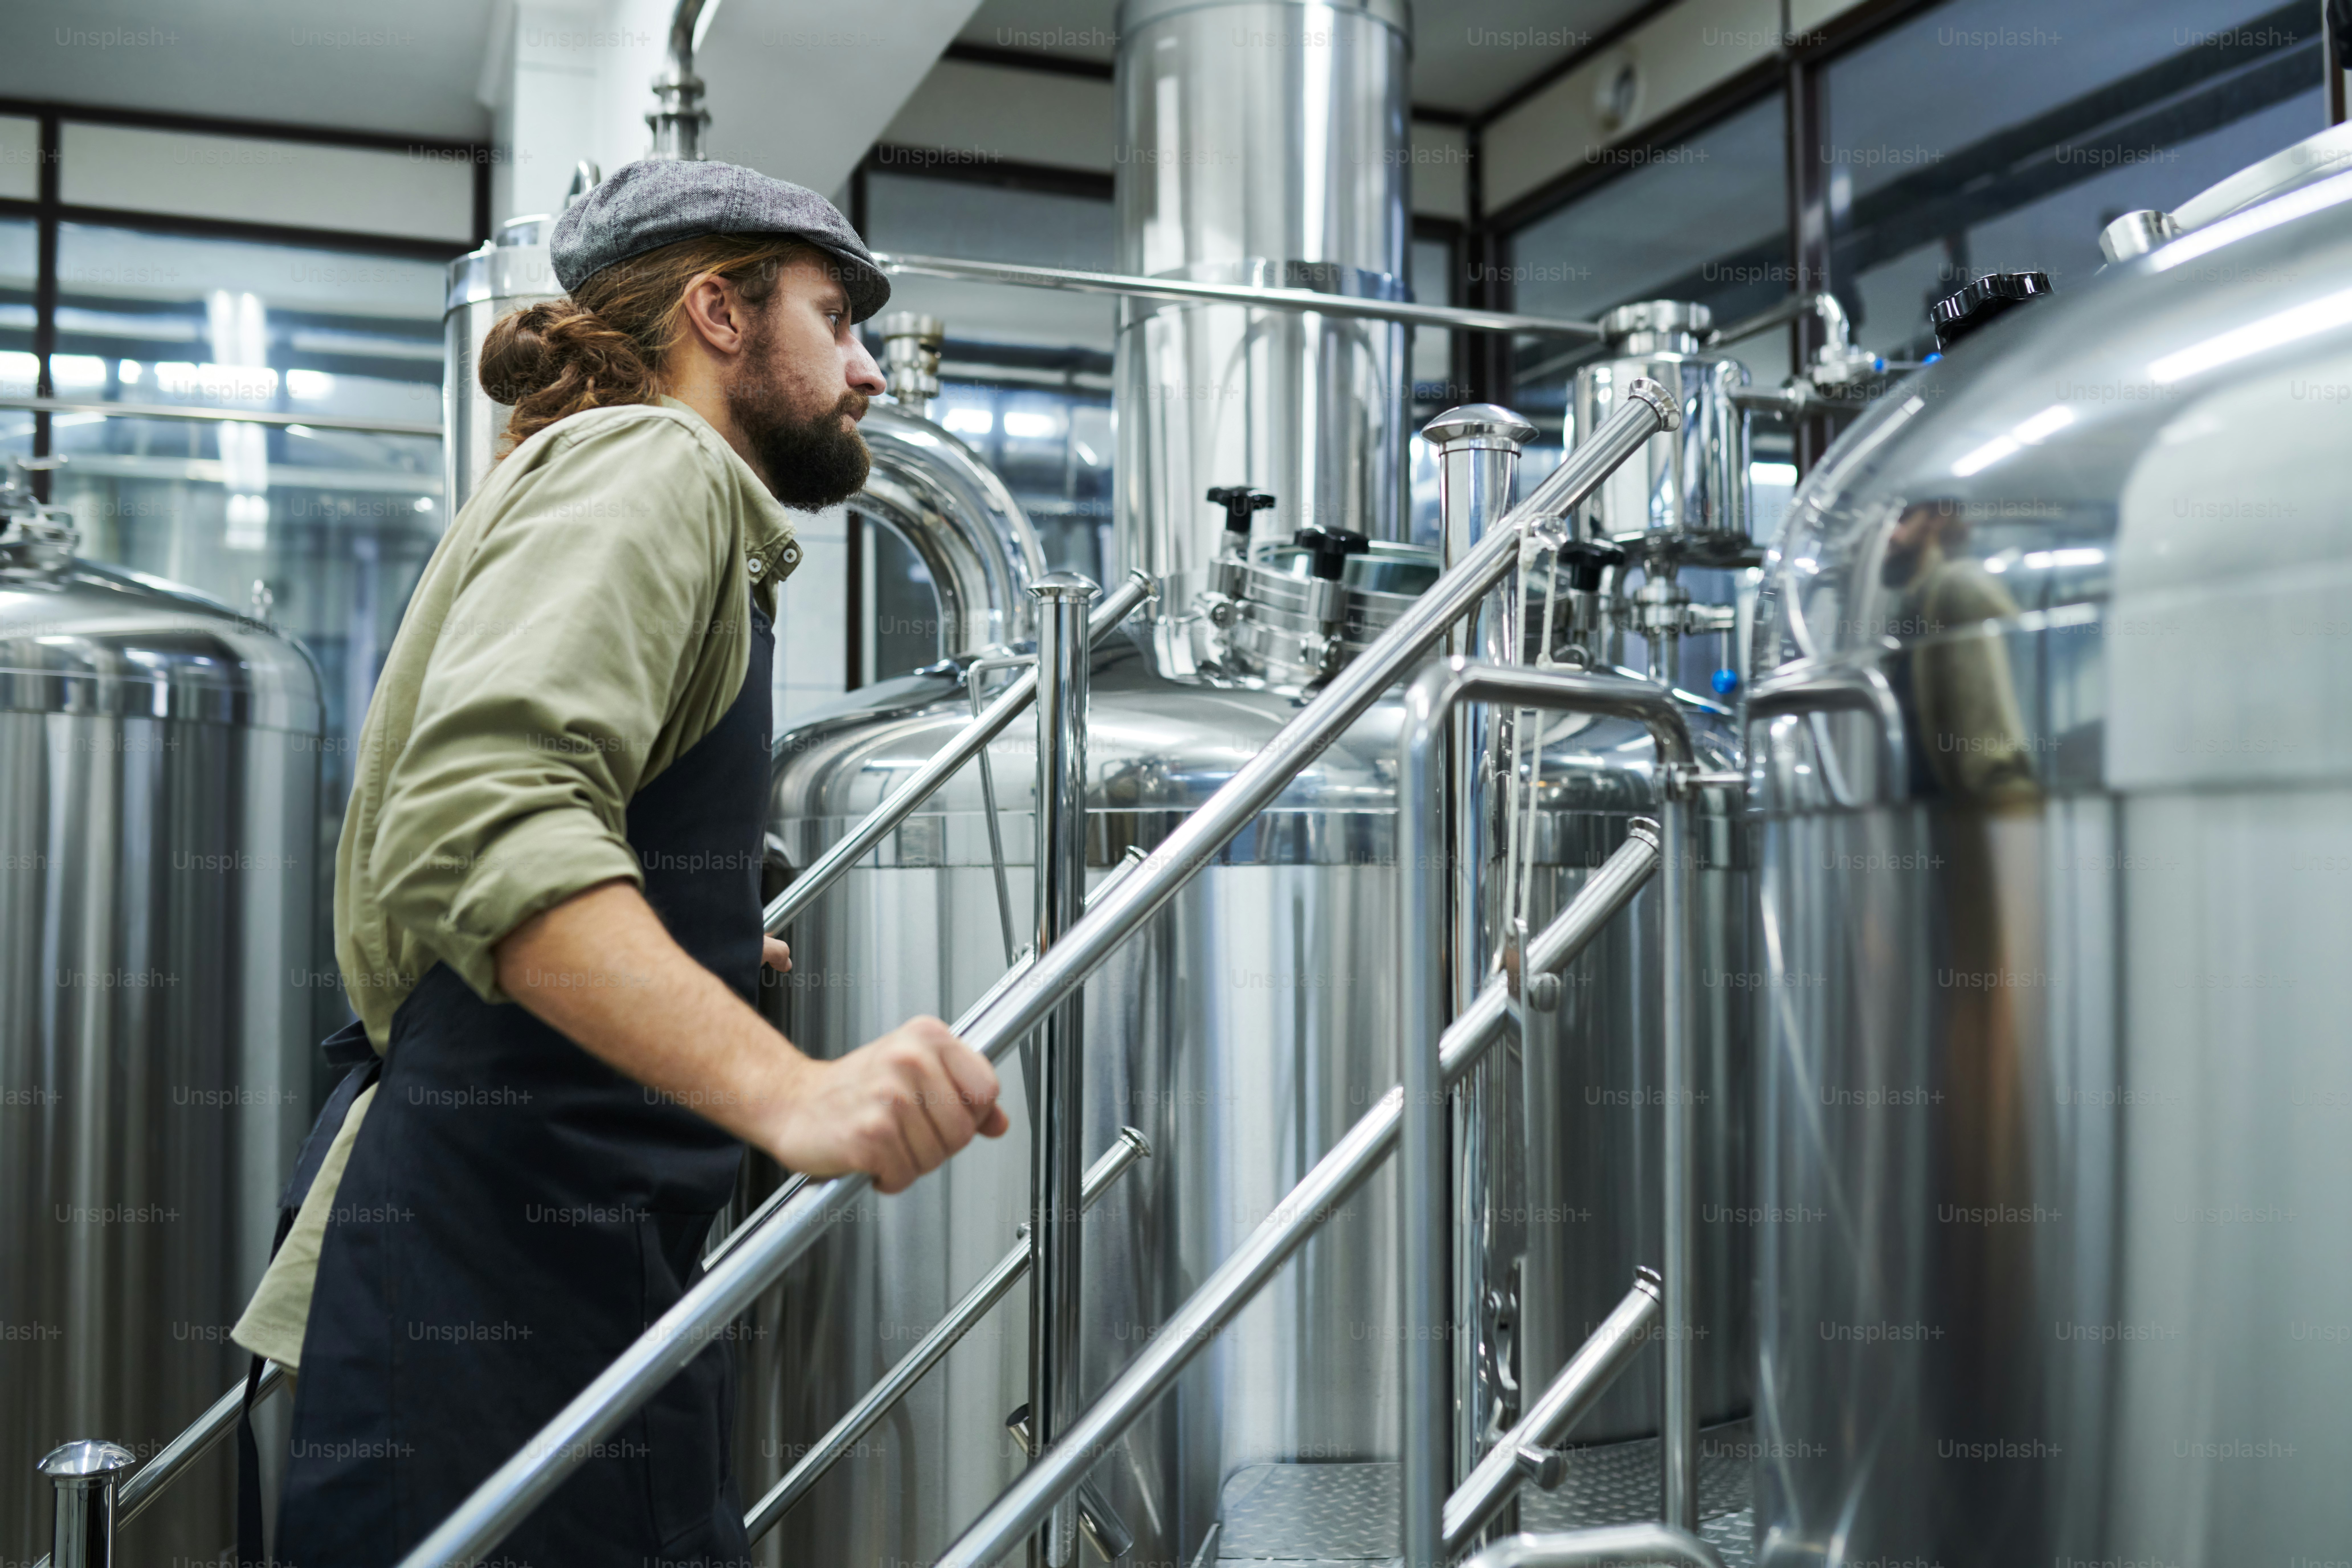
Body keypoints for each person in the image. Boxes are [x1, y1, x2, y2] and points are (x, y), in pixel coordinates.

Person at [230, 159, 1008, 1568]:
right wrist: (796, 1089)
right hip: (496, 1275)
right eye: (838, 319)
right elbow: (486, 813)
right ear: (718, 311)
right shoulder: (656, 465)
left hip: (560, 1258)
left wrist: (697, 934)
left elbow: (556, 806)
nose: (872, 370)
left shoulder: (629, 482)